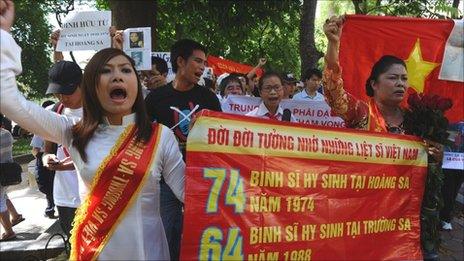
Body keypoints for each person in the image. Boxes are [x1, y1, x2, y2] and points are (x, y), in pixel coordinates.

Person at [0, 2, 184, 259]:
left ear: (135, 82)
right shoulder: (73, 132)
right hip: (94, 253)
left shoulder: (160, 136)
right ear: (92, 87)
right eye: (106, 71)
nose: (117, 76)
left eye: (125, 70)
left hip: (149, 253)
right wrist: (2, 34)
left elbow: (190, 193)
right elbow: (9, 101)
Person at [322, 15, 444, 259]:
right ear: (374, 84)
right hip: (364, 216)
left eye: (404, 79)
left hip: (405, 220)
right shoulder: (360, 112)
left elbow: (428, 166)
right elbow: (334, 92)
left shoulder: (418, 119)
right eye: (393, 77)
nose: (400, 83)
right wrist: (333, 44)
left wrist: (436, 155)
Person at [145, 38, 221, 260]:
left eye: (204, 62)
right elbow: (143, 137)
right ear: (180, 61)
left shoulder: (208, 98)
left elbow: (220, 137)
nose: (202, 67)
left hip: (201, 179)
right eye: (197, 61)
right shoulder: (156, 99)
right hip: (165, 182)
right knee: (167, 233)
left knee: (200, 235)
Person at [41, 60, 84, 238]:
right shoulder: (55, 112)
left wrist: (69, 165)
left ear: (82, 85)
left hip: (93, 194)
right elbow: (48, 149)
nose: (63, 98)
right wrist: (48, 159)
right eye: (58, 94)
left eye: (68, 92)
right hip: (65, 196)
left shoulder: (101, 112)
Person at [30, 101, 56, 219]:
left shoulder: (41, 125)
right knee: (50, 185)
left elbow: (35, 150)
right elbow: (35, 149)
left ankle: (51, 207)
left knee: (47, 185)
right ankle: (51, 206)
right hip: (47, 158)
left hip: (47, 159)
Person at [0, 114, 24, 241]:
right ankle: (15, 216)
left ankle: (9, 232)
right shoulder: (7, 134)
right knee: (3, 196)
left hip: (1, 173)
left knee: (0, 202)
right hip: (8, 172)